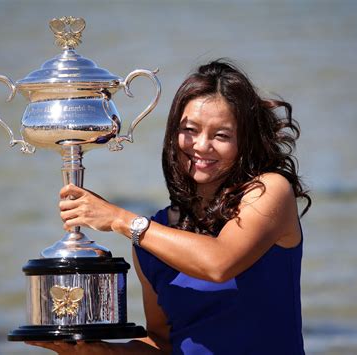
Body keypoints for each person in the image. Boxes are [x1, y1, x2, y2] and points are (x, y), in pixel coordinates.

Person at [28, 58, 311, 354]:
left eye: (222, 135)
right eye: (189, 129)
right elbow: (163, 342)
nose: (201, 145)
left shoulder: (270, 191)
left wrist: (121, 220)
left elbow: (219, 263)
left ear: (246, 140)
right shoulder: (154, 236)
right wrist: (100, 352)